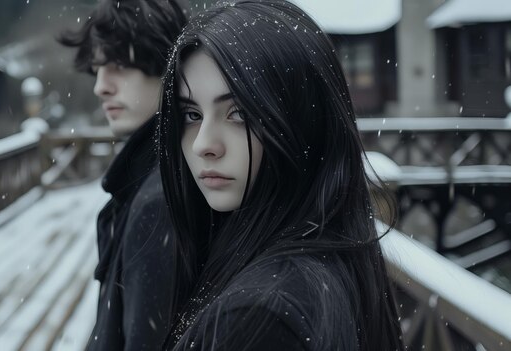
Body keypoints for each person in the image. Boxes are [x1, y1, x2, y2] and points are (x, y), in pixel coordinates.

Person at [157, 0, 405, 349]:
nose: (203, 145)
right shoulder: (331, 254)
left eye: (239, 113)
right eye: (192, 115)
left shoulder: (258, 317)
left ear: (304, 122)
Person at [59, 1, 188, 350]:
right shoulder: (157, 176)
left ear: (165, 62)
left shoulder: (160, 201)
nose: (101, 86)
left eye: (117, 64)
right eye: (98, 68)